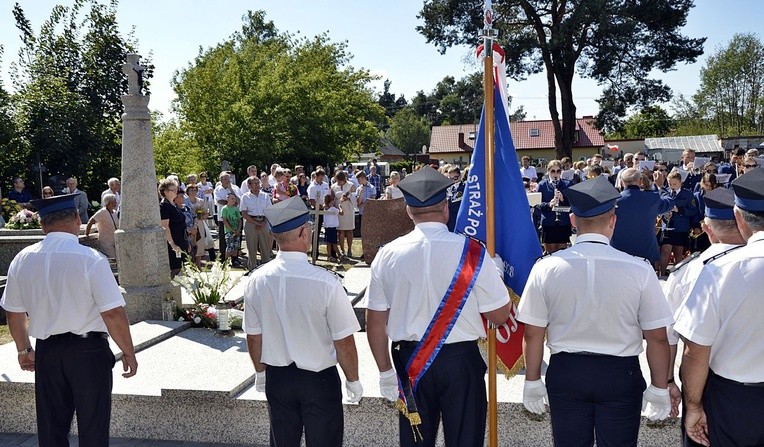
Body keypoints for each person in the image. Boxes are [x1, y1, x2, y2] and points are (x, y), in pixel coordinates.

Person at [518, 176, 673, 446]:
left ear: (573, 222)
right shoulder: (640, 269)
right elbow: (657, 337)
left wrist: (532, 380)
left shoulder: (545, 267)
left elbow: (533, 333)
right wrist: (660, 386)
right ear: (613, 221)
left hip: (567, 371)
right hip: (620, 374)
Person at [366, 166, 510, 447]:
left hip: (411, 363)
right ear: (446, 207)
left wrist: (384, 373)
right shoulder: (473, 252)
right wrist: (498, 275)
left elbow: (375, 322)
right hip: (461, 364)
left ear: (408, 211)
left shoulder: (386, 255)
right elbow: (500, 315)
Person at [1, 193, 137, 447]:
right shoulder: (90, 259)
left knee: (52, 429)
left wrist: (23, 350)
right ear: (77, 218)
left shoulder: (22, 259)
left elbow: (14, 311)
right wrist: (128, 351)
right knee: (93, 427)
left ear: (43, 225)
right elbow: (112, 313)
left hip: (47, 351)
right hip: (88, 351)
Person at [243, 197, 362, 446]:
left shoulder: (256, 279)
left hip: (279, 378)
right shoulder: (326, 282)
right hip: (318, 380)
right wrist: (353, 379)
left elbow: (254, 336)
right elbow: (344, 341)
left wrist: (260, 373)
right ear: (304, 234)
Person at [674, 167, 764, 446]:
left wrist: (694, 406)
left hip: (734, 401)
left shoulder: (720, 271)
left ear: (739, 218)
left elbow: (695, 351)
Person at [662, 187, 745, 447]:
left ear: (706, 228)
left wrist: (668, 382)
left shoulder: (686, 272)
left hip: (704, 383)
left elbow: (669, 337)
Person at [611, 168, 675, 264]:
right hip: (645, 252)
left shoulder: (613, 201)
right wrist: (661, 186)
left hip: (619, 252)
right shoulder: (652, 198)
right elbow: (669, 203)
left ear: (621, 182)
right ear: (640, 181)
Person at [657, 170, 698, 275]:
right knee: (665, 250)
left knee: (678, 252)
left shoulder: (688, 194)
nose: (672, 186)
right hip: (668, 227)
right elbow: (659, 207)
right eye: (670, 184)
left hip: (681, 227)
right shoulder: (665, 193)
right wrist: (664, 214)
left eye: (674, 184)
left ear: (680, 183)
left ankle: (678, 275)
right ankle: (662, 274)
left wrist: (679, 210)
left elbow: (693, 210)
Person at [536, 160, 572, 254]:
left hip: (563, 222)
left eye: (558, 171)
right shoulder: (542, 185)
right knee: (550, 252)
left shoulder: (567, 184)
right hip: (548, 222)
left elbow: (572, 204)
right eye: (552, 171)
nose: (555, 174)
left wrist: (563, 199)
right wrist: (549, 204)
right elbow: (537, 205)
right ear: (548, 172)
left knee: (562, 252)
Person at [239, 176, 272, 269]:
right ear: (249, 186)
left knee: (265, 248)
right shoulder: (245, 197)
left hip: (264, 221)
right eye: (254, 183)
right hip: (250, 222)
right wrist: (256, 223)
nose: (257, 185)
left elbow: (269, 210)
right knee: (252, 248)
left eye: (258, 183)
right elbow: (244, 213)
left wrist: (263, 222)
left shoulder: (265, 196)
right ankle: (252, 269)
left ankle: (266, 270)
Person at [159, 178, 188, 277]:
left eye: (176, 189)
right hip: (173, 243)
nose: (176, 191)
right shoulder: (164, 207)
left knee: (183, 267)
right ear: (165, 192)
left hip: (181, 240)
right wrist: (173, 244)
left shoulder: (174, 205)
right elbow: (165, 226)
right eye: (173, 189)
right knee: (176, 269)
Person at [213, 172, 242, 261]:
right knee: (223, 238)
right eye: (225, 179)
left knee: (236, 238)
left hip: (235, 218)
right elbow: (218, 201)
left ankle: (235, 258)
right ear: (221, 180)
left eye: (228, 179)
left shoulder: (235, 188)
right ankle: (223, 259)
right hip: (223, 218)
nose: (227, 181)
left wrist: (231, 191)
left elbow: (238, 201)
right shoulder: (218, 189)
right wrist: (230, 203)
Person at [85, 193, 120, 259]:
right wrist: (87, 234)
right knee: (113, 258)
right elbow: (91, 221)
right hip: (106, 242)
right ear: (109, 202)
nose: (116, 202)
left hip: (115, 240)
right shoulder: (102, 212)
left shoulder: (115, 212)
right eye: (114, 201)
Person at [332, 170, 356, 258]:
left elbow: (354, 196)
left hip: (349, 209)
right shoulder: (334, 187)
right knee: (341, 231)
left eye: (340, 180)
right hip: (339, 209)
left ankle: (349, 249)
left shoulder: (350, 185)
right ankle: (342, 250)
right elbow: (333, 198)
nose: (339, 182)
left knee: (349, 230)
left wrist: (348, 197)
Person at [221, 192, 243, 267]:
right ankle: (226, 262)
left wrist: (238, 229)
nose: (234, 200)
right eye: (232, 198)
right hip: (229, 231)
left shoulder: (236, 208)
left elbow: (240, 220)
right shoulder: (224, 209)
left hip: (236, 230)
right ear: (227, 199)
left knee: (236, 246)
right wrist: (232, 230)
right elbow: (225, 221)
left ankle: (234, 260)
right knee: (229, 246)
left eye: (234, 198)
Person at [322, 193, 342, 263]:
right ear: (331, 201)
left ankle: (329, 255)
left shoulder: (325, 208)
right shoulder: (333, 209)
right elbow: (341, 213)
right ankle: (339, 255)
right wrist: (340, 207)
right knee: (334, 243)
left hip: (327, 227)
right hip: (332, 227)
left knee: (329, 243)